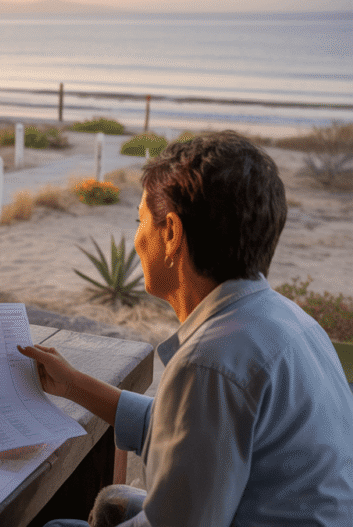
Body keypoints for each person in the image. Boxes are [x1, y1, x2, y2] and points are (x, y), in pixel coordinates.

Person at [20, 131, 353, 526]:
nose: (137, 240)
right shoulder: (289, 321)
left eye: (140, 221)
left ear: (172, 234)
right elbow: (189, 433)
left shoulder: (211, 362)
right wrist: (74, 385)